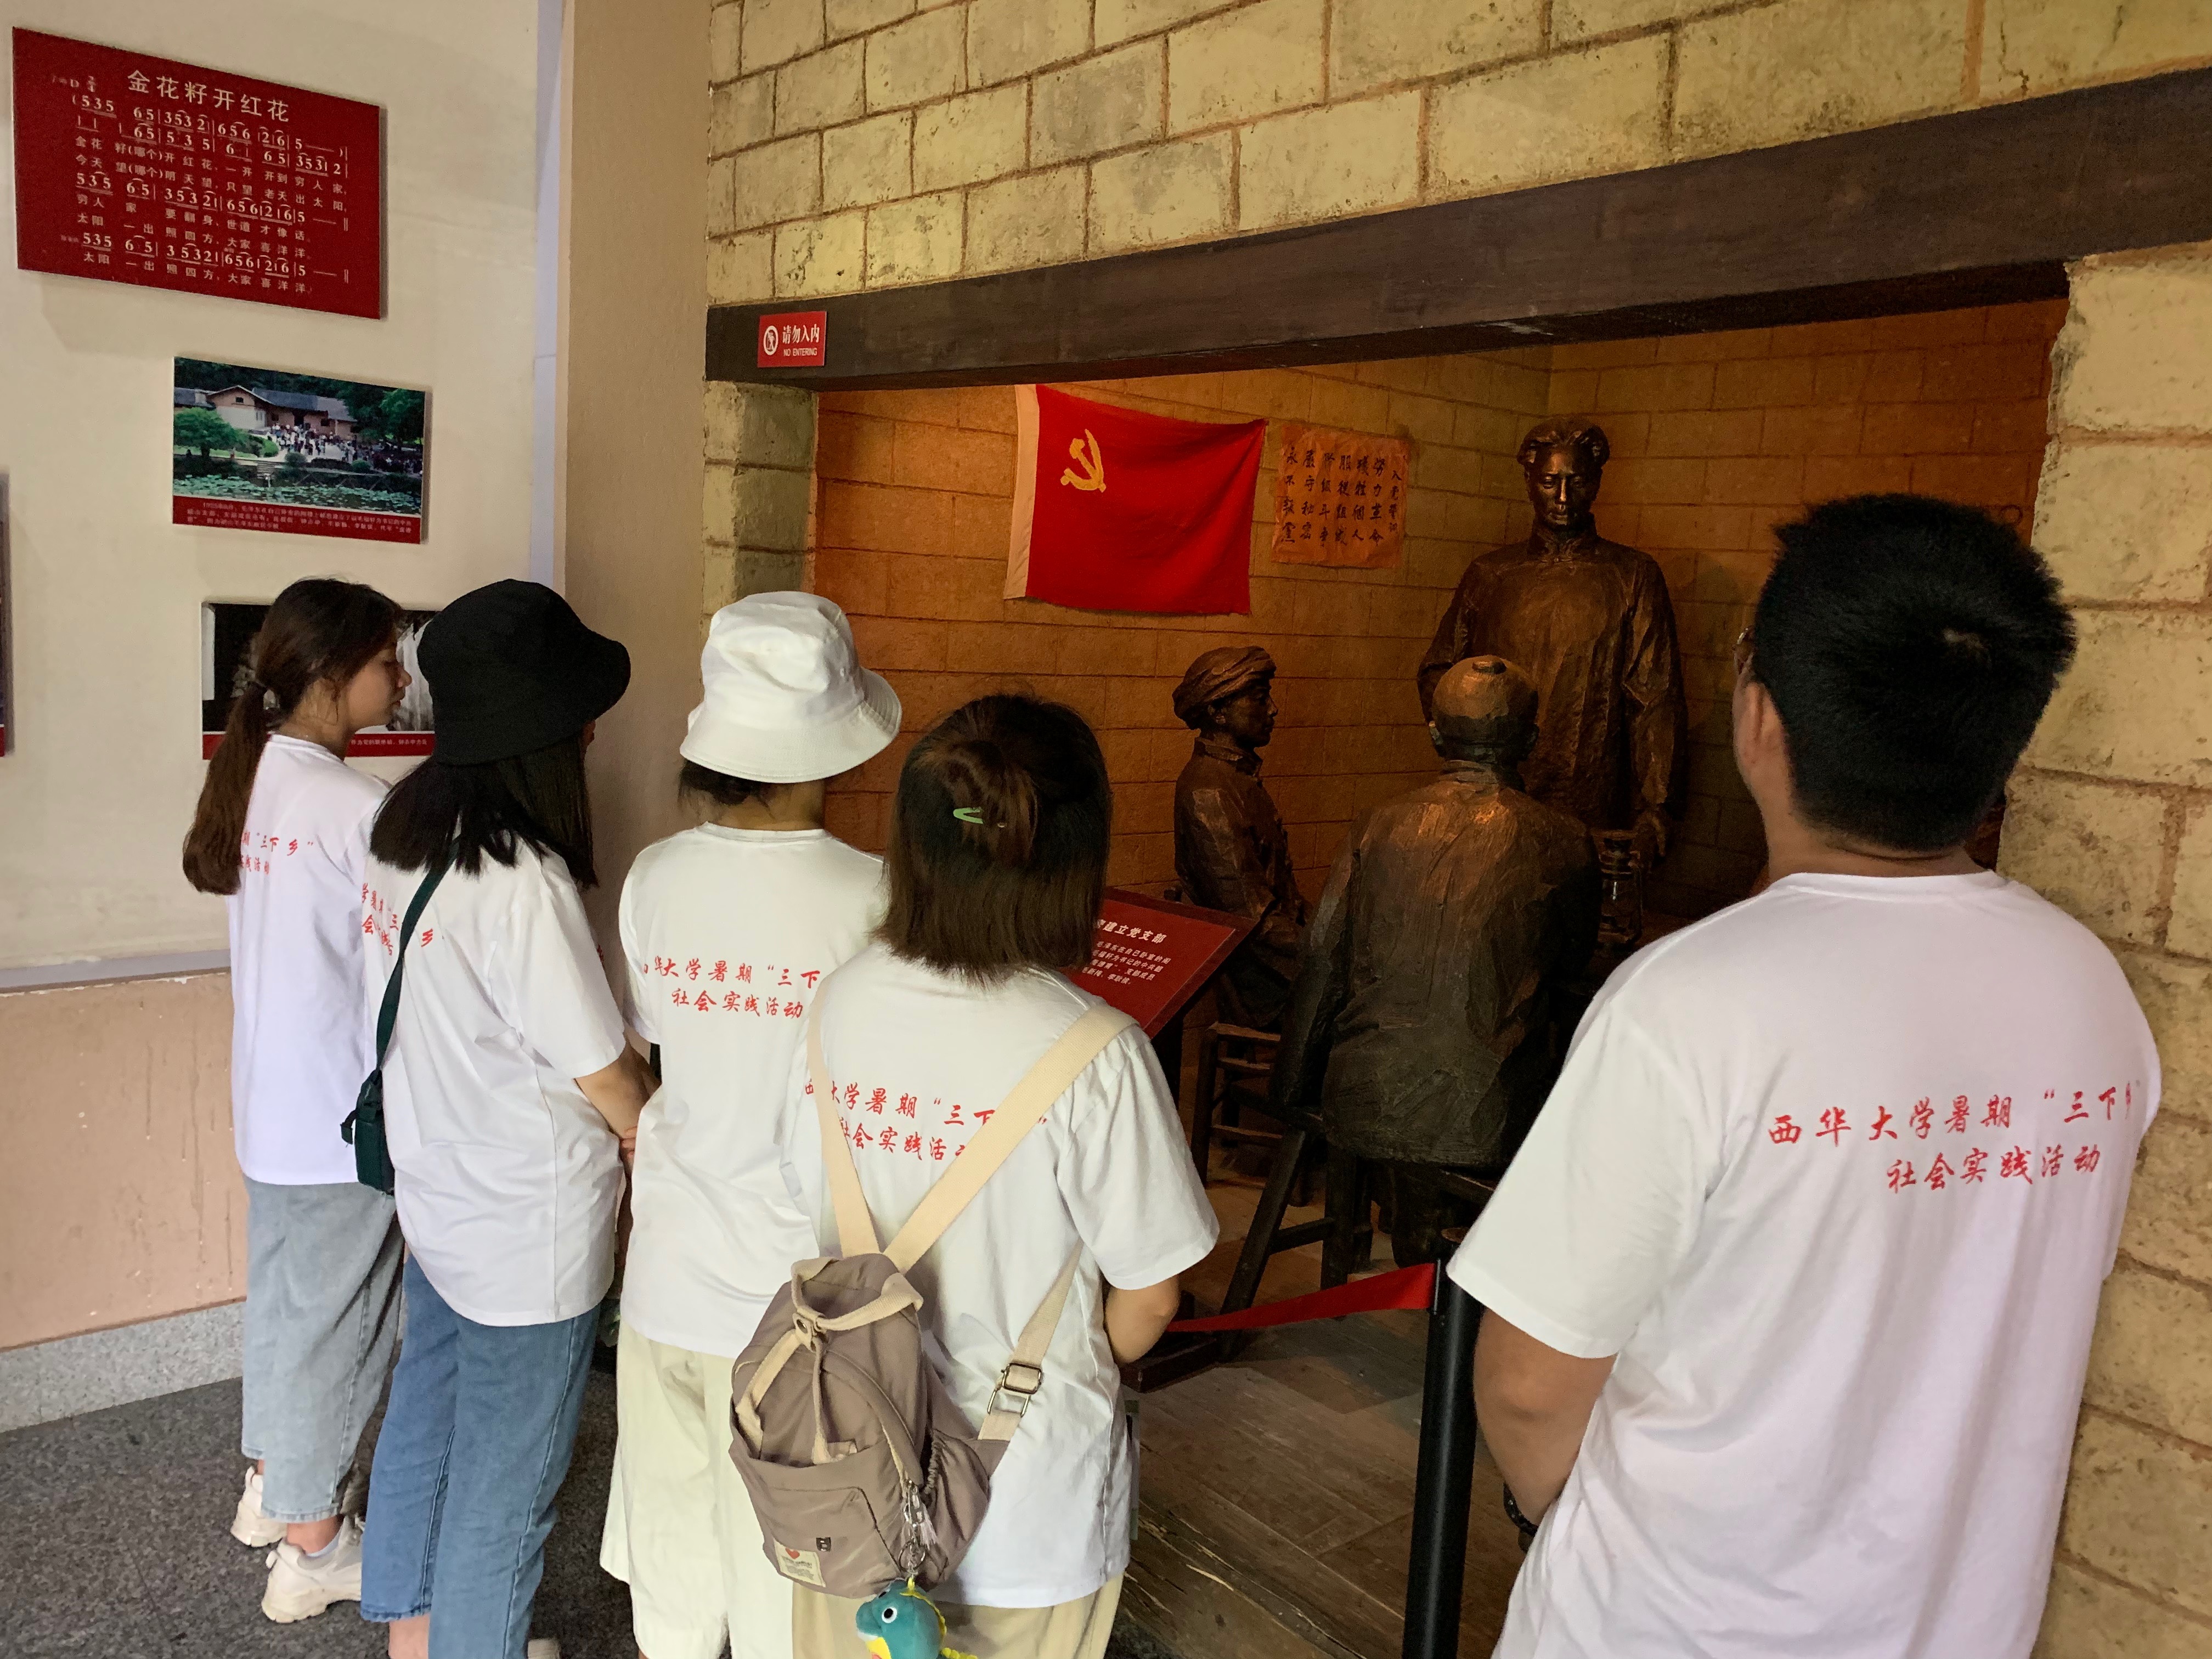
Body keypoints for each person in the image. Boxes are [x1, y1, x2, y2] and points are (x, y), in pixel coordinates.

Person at [1451, 495, 2155, 1658]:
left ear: (1759, 711)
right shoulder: (2091, 990)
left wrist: (1556, 1517)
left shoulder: (1687, 1003)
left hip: (1671, 1624)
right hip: (1959, 1623)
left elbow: (1530, 1385)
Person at [779, 695, 1219, 1659]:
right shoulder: (1098, 1051)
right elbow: (1151, 1294)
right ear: (1075, 859)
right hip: (1027, 1503)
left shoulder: (836, 1002)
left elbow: (798, 1190)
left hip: (846, 1481)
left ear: (911, 844)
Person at [355, 580, 655, 1659]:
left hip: (438, 1193)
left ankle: (416, 1631)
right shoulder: (521, 876)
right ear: (548, 735)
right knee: (508, 1486)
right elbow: (603, 1072)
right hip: (529, 1225)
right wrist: (653, 1135)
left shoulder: (398, 829)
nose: (592, 734)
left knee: (427, 1410)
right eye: (581, 717)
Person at [600, 594, 901, 1659]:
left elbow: (660, 1047)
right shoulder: (876, 899)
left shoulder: (656, 876)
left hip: (668, 1275)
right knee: (792, 1593)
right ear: (834, 744)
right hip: (801, 1305)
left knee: (674, 1572)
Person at [180, 579, 411, 1624]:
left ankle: (272, 1486)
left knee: (285, 1309)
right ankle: (312, 1546)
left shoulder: (259, 773)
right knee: (338, 1329)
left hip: (272, 1108)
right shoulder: (355, 806)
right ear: (330, 674)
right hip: (337, 1119)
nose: (399, 680)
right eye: (385, 661)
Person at [1271, 656, 1598, 1266]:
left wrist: (1289, 1086)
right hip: (1490, 1107)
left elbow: (1323, 961)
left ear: (1436, 735)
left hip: (1366, 1091)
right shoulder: (1565, 838)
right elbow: (1573, 966)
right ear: (1532, 741)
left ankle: (1416, 1246)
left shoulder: (1377, 824)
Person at [1415, 417, 1686, 871]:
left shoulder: (1632, 575)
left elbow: (1655, 699)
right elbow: (1438, 672)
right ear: (1529, 480)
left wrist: (1657, 811)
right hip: (1492, 799)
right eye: (1549, 482)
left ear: (1595, 483)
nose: (1562, 497)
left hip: (1588, 799)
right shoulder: (1490, 574)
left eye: (1576, 482)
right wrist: (1469, 756)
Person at [1170, 645, 1307, 1028]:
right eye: (1260, 699)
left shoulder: (1236, 780)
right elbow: (1253, 922)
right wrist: (1327, 955)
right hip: (1266, 986)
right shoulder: (1209, 793)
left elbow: (1285, 898)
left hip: (1283, 962)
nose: (1273, 710)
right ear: (1218, 711)